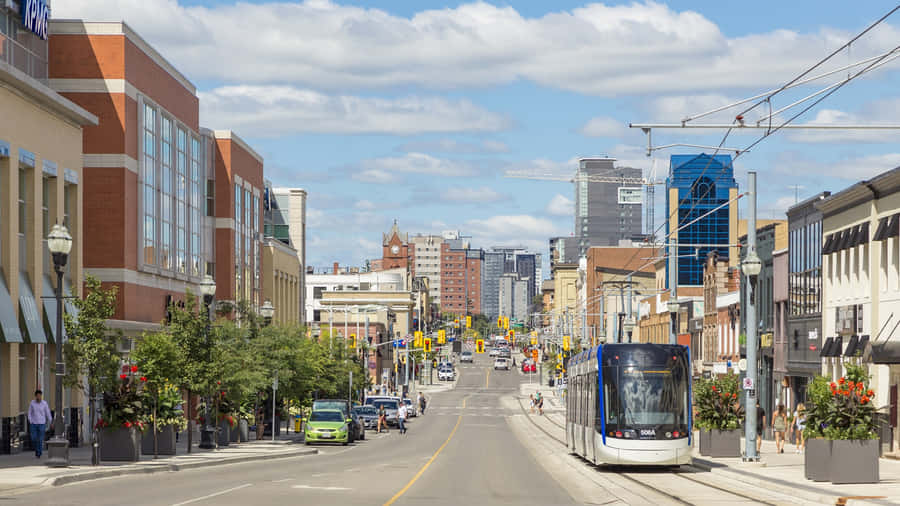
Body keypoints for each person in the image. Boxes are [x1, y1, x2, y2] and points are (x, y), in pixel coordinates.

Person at [27, 389, 52, 458]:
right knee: (34, 438)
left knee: (40, 439)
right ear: (35, 396)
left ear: (41, 396)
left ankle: (39, 452)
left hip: (42, 423)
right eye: (37, 396)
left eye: (40, 396)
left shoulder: (44, 403)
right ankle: (37, 449)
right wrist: (30, 420)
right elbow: (29, 412)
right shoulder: (32, 403)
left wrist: (51, 421)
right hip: (34, 424)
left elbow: (47, 413)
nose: (39, 397)